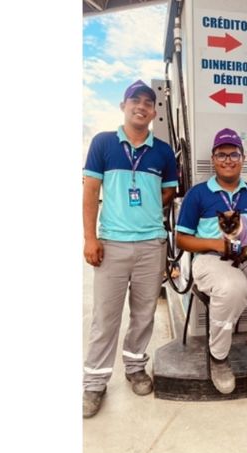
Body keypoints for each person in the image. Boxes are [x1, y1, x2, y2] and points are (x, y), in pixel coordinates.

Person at [82, 80, 178, 418]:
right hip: (112, 244)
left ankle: (136, 366)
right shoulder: (103, 143)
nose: (141, 106)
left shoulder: (163, 152)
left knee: (143, 313)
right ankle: (94, 382)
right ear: (123, 105)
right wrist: (90, 238)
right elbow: (91, 191)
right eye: (134, 100)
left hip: (151, 244)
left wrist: (146, 212)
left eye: (148, 102)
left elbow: (168, 193)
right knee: (105, 317)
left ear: (154, 111)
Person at [175, 128, 247, 393]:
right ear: (213, 158)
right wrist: (215, 243)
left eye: (234, 154)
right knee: (232, 288)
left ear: (243, 157)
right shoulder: (198, 194)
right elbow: (181, 240)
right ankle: (219, 357)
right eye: (222, 154)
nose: (228, 159)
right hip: (212, 258)